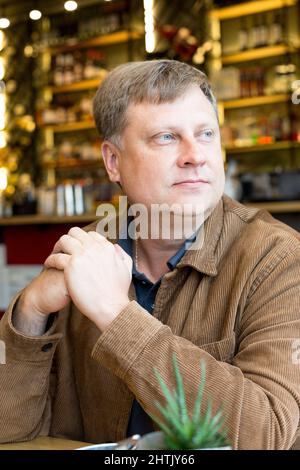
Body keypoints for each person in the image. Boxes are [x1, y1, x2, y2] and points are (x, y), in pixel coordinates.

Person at [0, 60, 300, 450]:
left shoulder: (279, 259)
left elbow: (269, 434)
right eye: (166, 137)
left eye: (206, 133)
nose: (195, 155)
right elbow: (9, 431)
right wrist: (31, 311)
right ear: (113, 161)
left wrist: (116, 316)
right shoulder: (85, 253)